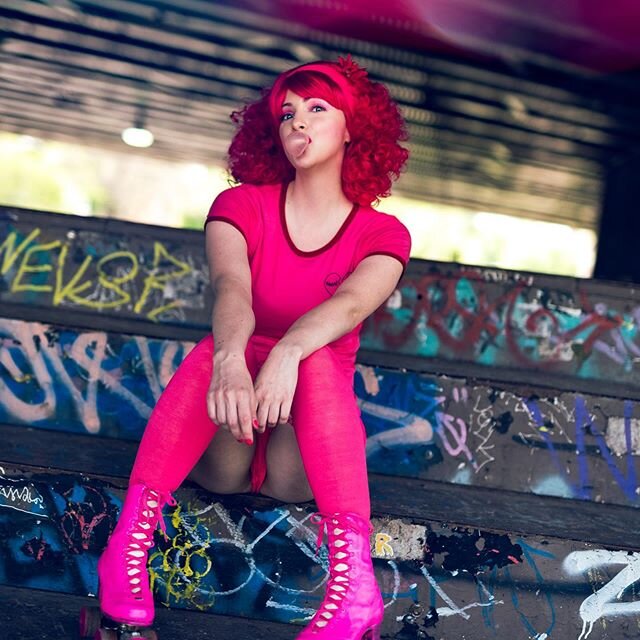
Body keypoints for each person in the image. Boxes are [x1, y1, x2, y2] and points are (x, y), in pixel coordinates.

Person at [96, 55, 411, 640]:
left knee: (315, 353)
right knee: (215, 347)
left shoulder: (382, 234)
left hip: (302, 448)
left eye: (318, 109)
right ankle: (126, 551)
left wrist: (288, 352)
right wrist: (230, 363)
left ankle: (354, 586)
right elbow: (232, 289)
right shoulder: (241, 207)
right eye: (287, 113)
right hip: (228, 433)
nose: (298, 123)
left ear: (352, 128)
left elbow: (347, 308)